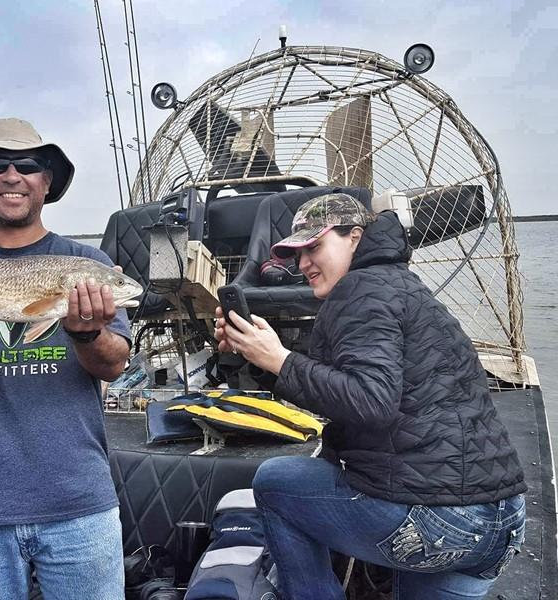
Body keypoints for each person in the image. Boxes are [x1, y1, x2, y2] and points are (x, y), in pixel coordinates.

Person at [213, 193, 527, 600]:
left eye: (315, 246)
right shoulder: (405, 287)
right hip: (500, 521)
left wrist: (281, 359)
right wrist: (265, 362)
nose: (304, 263)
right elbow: (360, 388)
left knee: (276, 481)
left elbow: (369, 401)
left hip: (437, 520)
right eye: (298, 253)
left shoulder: (358, 290)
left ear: (355, 237)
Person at [0, 118, 131, 599]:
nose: (12, 175)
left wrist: (87, 332)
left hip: (79, 504)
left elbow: (113, 364)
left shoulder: (86, 265)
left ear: (46, 181)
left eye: (28, 165)